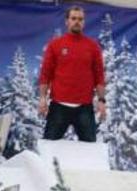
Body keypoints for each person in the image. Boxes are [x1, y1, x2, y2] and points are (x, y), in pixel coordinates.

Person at [38, 6, 106, 142]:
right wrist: (42, 98)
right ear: (67, 21)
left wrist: (101, 100)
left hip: (84, 108)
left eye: (80, 19)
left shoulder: (93, 47)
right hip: (58, 107)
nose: (77, 22)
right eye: (73, 18)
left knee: (90, 150)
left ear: (84, 22)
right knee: (48, 147)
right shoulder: (55, 45)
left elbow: (99, 76)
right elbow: (46, 74)